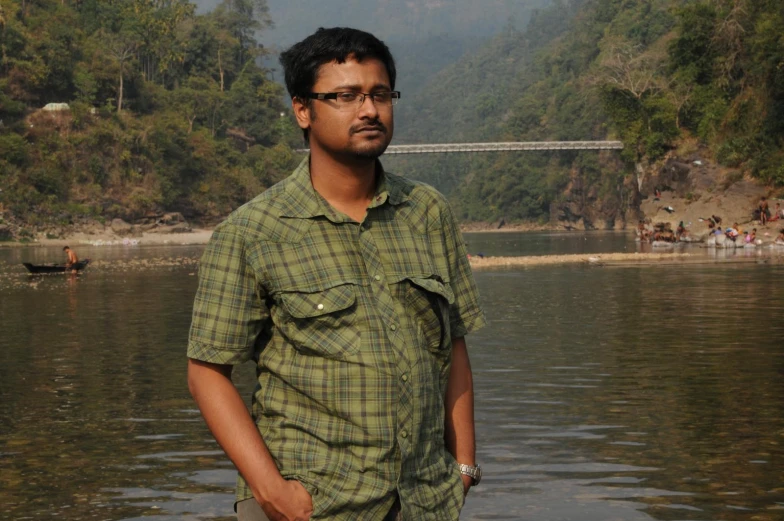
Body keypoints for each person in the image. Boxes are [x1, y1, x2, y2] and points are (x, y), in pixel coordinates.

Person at [186, 28, 486, 521]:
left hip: (424, 502)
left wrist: (464, 467)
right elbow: (207, 373)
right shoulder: (252, 232)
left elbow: (453, 346)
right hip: (312, 504)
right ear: (303, 110)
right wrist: (270, 491)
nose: (369, 110)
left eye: (381, 94)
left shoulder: (428, 212)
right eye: (346, 96)